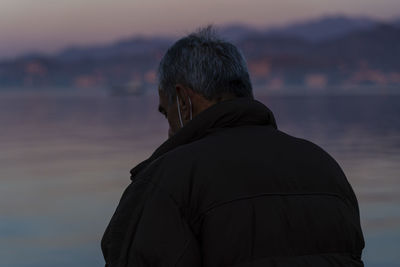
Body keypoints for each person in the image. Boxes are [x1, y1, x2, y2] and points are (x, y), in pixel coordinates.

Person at [101, 25, 364, 267]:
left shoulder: (168, 183)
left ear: (183, 101)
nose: (169, 130)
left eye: (165, 112)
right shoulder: (326, 169)